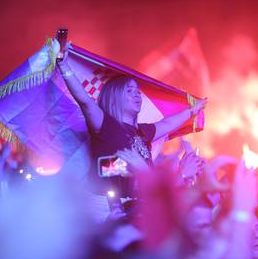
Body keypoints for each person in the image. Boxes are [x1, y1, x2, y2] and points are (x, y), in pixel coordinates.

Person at [56, 48, 206, 200]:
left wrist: (193, 110)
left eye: (137, 91)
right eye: (129, 91)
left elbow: (168, 123)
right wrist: (64, 67)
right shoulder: (106, 125)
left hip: (134, 205)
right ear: (115, 97)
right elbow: (85, 102)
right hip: (104, 206)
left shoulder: (142, 132)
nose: (137, 94)